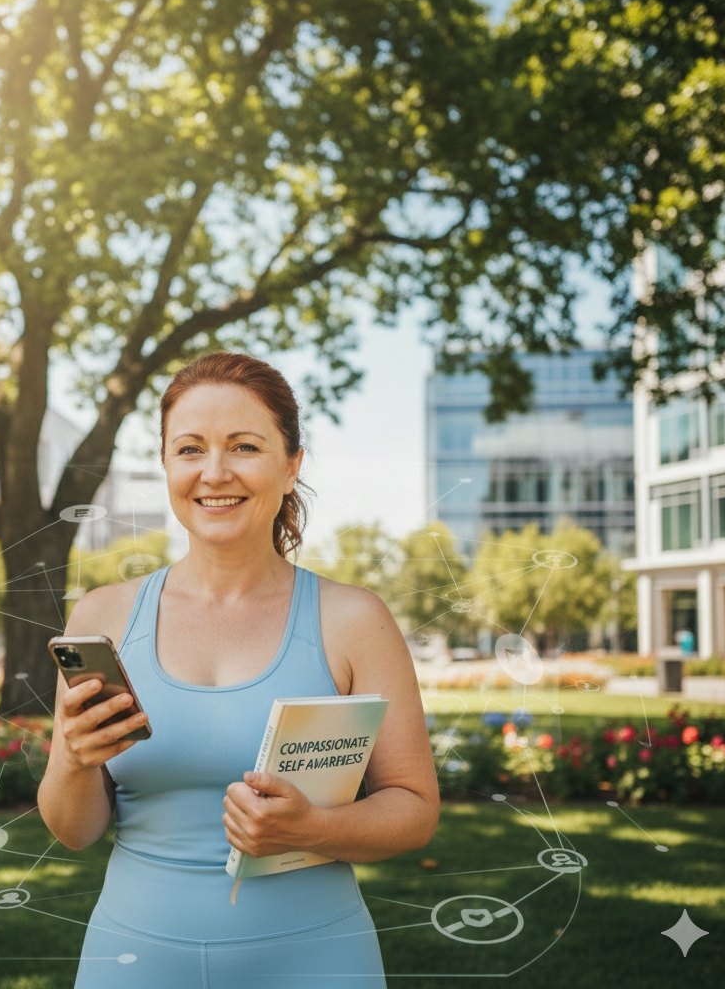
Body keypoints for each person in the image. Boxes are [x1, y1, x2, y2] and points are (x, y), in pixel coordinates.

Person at [38, 353, 439, 988]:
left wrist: (314, 828)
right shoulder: (103, 616)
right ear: (167, 464)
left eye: (244, 446)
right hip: (134, 963)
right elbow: (75, 831)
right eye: (190, 449)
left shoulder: (354, 619)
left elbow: (414, 810)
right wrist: (73, 762)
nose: (214, 473)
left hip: (316, 961)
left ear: (291, 464)